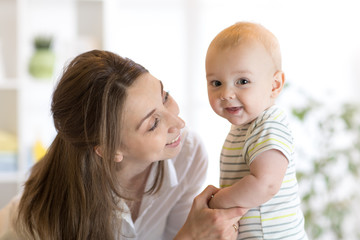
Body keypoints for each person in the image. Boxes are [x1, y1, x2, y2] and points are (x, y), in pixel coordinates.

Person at [0, 50, 246, 240]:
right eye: (152, 124)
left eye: (165, 96)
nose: (179, 122)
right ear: (108, 150)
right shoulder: (34, 219)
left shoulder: (188, 155)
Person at [205, 22, 308, 239]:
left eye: (242, 81)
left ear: (274, 85)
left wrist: (220, 200)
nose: (226, 93)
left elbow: (266, 183)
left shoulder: (269, 125)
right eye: (216, 83)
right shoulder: (244, 128)